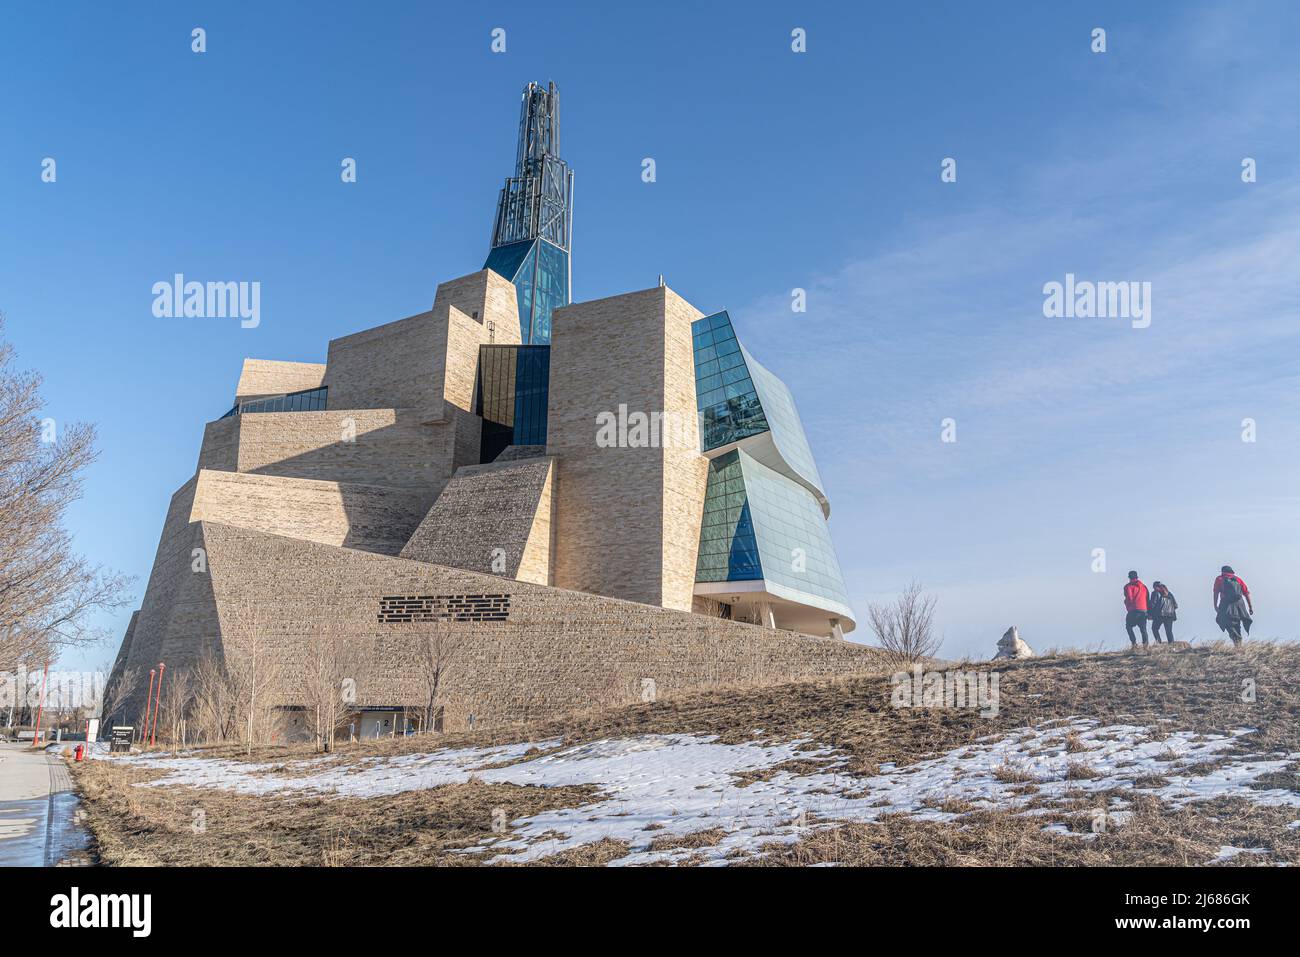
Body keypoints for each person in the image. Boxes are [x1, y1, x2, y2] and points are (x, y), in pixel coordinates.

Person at [1213, 565, 1254, 646]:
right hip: (1239, 604)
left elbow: (1216, 592)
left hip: (1226, 603)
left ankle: (1237, 642)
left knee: (1225, 620)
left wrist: (1215, 605)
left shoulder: (1219, 579)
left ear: (1222, 572)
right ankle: (1238, 644)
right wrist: (1250, 607)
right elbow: (1246, 593)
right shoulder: (1238, 579)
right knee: (1236, 622)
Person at [1123, 570, 1150, 647]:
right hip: (1144, 611)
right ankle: (1145, 645)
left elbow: (1129, 599)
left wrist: (1127, 605)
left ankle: (1134, 644)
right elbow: (1147, 599)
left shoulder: (1127, 587)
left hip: (1134, 610)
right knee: (1143, 629)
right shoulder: (1144, 587)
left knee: (1128, 626)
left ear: (1129, 577)